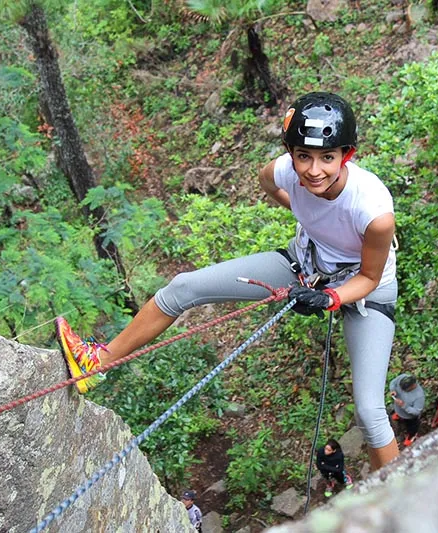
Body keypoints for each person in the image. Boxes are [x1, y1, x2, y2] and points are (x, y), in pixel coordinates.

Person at [55, 91, 400, 469]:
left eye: (327, 158)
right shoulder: (283, 171)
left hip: (366, 291)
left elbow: (369, 276)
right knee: (184, 286)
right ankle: (97, 363)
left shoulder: (373, 210)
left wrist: (330, 298)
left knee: (369, 411)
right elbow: (271, 184)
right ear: (290, 152)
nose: (314, 170)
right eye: (303, 156)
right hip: (305, 265)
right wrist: (309, 221)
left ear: (346, 155)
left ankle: (395, 502)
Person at [389, 373, 425, 446]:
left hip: (409, 417)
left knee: (412, 427)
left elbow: (416, 411)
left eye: (405, 390)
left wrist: (404, 406)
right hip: (399, 408)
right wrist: (393, 390)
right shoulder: (403, 378)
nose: (402, 391)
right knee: (398, 412)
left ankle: (411, 436)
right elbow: (393, 382)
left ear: (412, 386)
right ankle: (398, 415)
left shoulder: (419, 396)